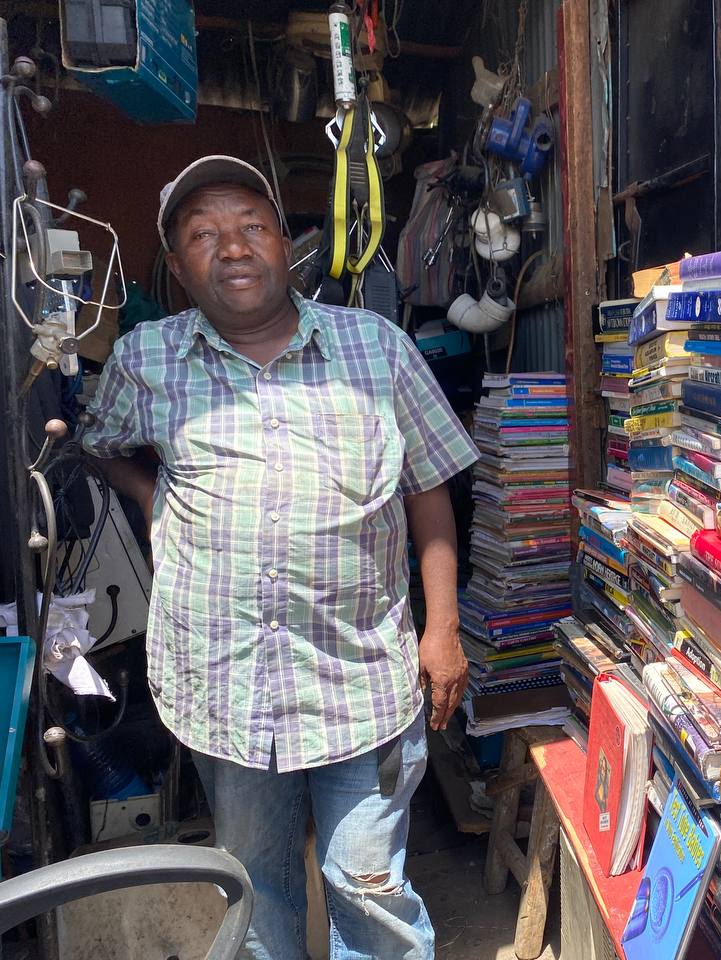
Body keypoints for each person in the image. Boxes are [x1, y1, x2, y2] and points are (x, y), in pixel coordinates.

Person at [82, 155, 479, 960]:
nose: (232, 248)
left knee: (370, 892)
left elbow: (429, 488)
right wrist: (155, 497)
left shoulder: (378, 349)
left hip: (360, 682)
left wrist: (443, 631)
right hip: (224, 692)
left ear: (285, 245)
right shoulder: (145, 361)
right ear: (177, 264)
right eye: (203, 235)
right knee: (257, 890)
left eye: (251, 226)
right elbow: (100, 445)